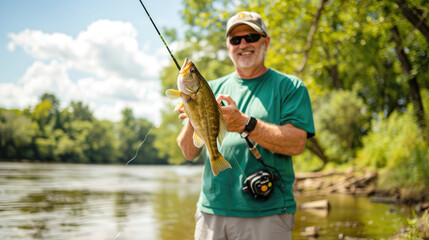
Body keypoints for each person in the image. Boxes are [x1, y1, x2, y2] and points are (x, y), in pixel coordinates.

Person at [176, 11, 315, 240]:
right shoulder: (210, 88)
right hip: (211, 213)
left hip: (268, 215)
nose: (243, 44)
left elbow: (297, 144)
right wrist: (194, 115)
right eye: (235, 39)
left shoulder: (290, 86)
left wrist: (245, 123)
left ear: (266, 41)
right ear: (228, 46)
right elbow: (188, 152)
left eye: (251, 37)